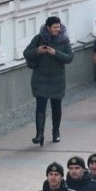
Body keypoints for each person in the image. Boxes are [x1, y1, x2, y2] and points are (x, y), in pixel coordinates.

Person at [23, 16, 74, 146]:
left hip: (57, 79)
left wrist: (55, 53)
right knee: (40, 106)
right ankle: (39, 134)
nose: (57, 29)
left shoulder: (64, 40)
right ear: (48, 28)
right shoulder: (39, 38)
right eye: (55, 27)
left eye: (59, 27)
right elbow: (26, 53)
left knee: (56, 106)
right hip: (40, 78)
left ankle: (56, 132)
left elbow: (69, 58)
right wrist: (37, 51)